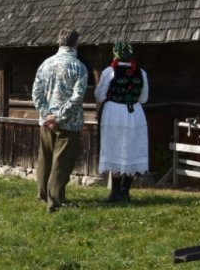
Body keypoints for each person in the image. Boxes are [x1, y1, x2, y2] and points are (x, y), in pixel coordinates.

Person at [32, 29, 89, 213]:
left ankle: (43, 194)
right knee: (62, 163)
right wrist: (60, 117)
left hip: (47, 122)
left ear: (59, 42)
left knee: (46, 159)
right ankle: (55, 202)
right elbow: (77, 97)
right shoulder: (78, 67)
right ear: (76, 43)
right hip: (69, 123)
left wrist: (47, 115)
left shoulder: (45, 64)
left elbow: (36, 93)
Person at [95, 41, 150, 203]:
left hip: (114, 112)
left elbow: (99, 95)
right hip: (135, 112)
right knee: (131, 148)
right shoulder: (141, 72)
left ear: (115, 54)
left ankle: (116, 193)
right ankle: (125, 192)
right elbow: (144, 98)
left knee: (115, 147)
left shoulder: (109, 71)